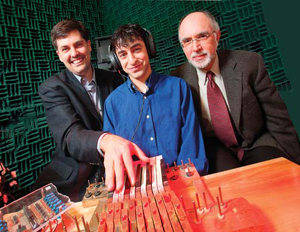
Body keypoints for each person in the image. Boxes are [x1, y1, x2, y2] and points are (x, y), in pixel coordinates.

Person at [32, 19, 149, 201]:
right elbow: (70, 136)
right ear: (59, 55)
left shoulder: (115, 80)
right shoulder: (53, 88)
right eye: (65, 49)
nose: (74, 53)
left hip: (118, 170)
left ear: (88, 45)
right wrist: (106, 141)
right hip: (74, 179)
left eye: (78, 45)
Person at [171, 11, 300, 173]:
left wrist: (296, 163)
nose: (195, 47)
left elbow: (277, 118)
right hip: (215, 148)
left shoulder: (250, 64)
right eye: (187, 41)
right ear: (183, 47)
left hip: (255, 142)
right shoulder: (178, 80)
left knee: (277, 177)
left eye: (202, 36)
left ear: (217, 36)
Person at [103, 24, 208, 186]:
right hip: (137, 187)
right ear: (116, 60)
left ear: (149, 49)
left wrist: (183, 179)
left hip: (181, 180)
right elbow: (115, 156)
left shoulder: (178, 88)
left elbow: (191, 142)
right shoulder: (112, 103)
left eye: (136, 49)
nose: (131, 60)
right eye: (123, 54)